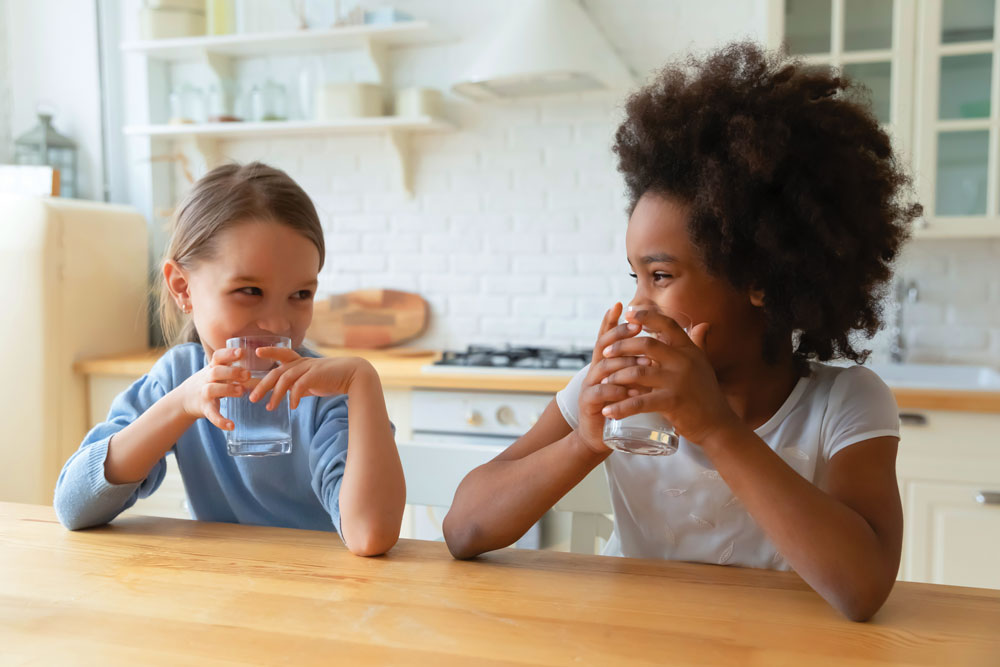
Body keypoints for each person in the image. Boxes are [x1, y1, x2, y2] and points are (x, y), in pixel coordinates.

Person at [443, 42, 920, 621]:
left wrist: (715, 428)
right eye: (635, 277)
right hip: (632, 641)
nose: (638, 307)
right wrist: (584, 441)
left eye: (661, 275)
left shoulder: (844, 404)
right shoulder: (614, 393)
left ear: (761, 278)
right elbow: (463, 529)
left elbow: (862, 588)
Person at [54, 162, 406, 556]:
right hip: (220, 597)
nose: (277, 322)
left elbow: (370, 535)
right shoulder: (178, 378)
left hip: (318, 594)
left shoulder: (328, 393)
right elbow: (73, 506)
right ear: (182, 288)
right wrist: (180, 405)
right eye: (250, 290)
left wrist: (363, 382)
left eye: (301, 295)